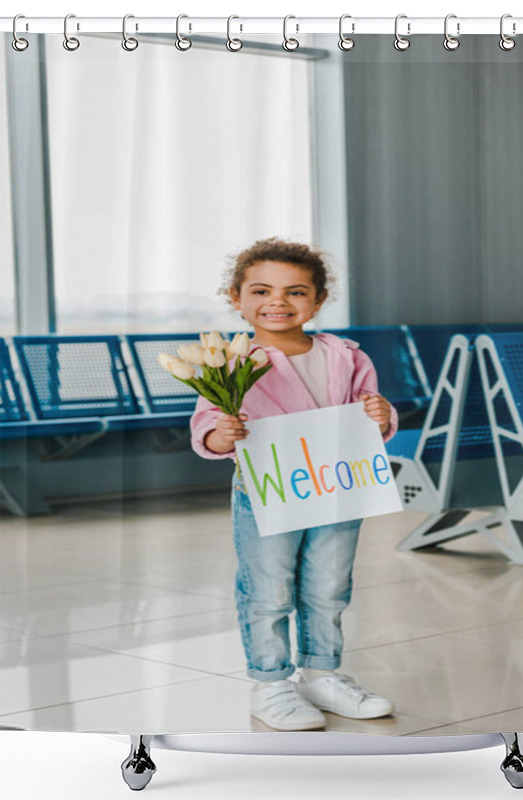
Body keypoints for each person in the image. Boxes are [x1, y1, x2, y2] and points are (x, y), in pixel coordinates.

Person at [190, 237, 398, 731]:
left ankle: (322, 674)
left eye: (296, 291)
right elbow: (207, 426)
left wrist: (381, 414)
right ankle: (271, 684)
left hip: (338, 486)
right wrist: (222, 435)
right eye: (261, 291)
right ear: (236, 299)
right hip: (269, 493)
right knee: (268, 588)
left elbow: (371, 413)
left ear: (318, 301)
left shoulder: (346, 356)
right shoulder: (229, 363)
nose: (278, 302)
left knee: (328, 586)